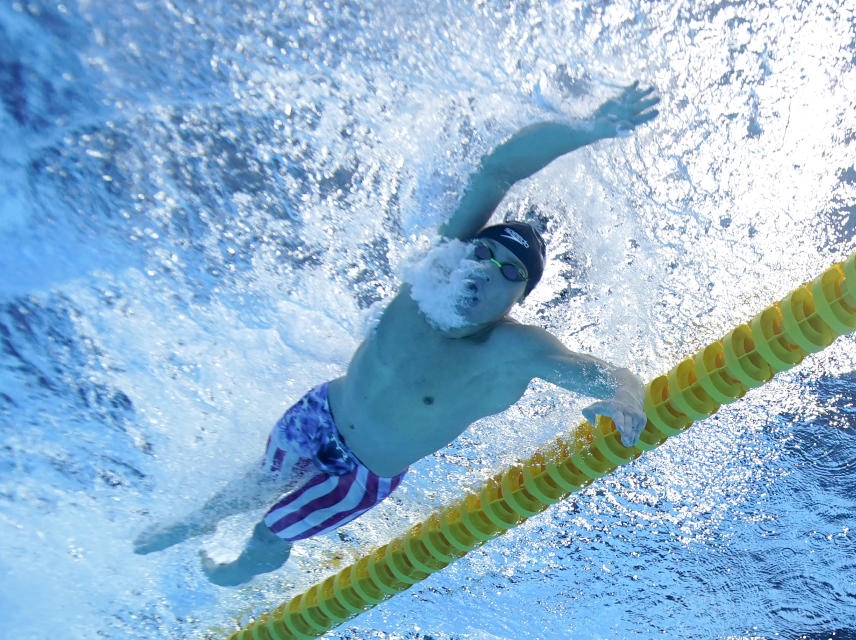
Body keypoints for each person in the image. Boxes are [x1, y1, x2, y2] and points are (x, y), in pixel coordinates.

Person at [134, 82, 659, 586]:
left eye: (510, 272)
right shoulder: (432, 273)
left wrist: (624, 396)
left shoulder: (509, 350)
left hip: (358, 477)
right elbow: (497, 171)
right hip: (320, 412)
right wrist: (588, 127)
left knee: (269, 534)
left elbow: (601, 374)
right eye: (485, 252)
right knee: (252, 486)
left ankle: (240, 572)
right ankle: (198, 520)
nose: (487, 268)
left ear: (520, 300)